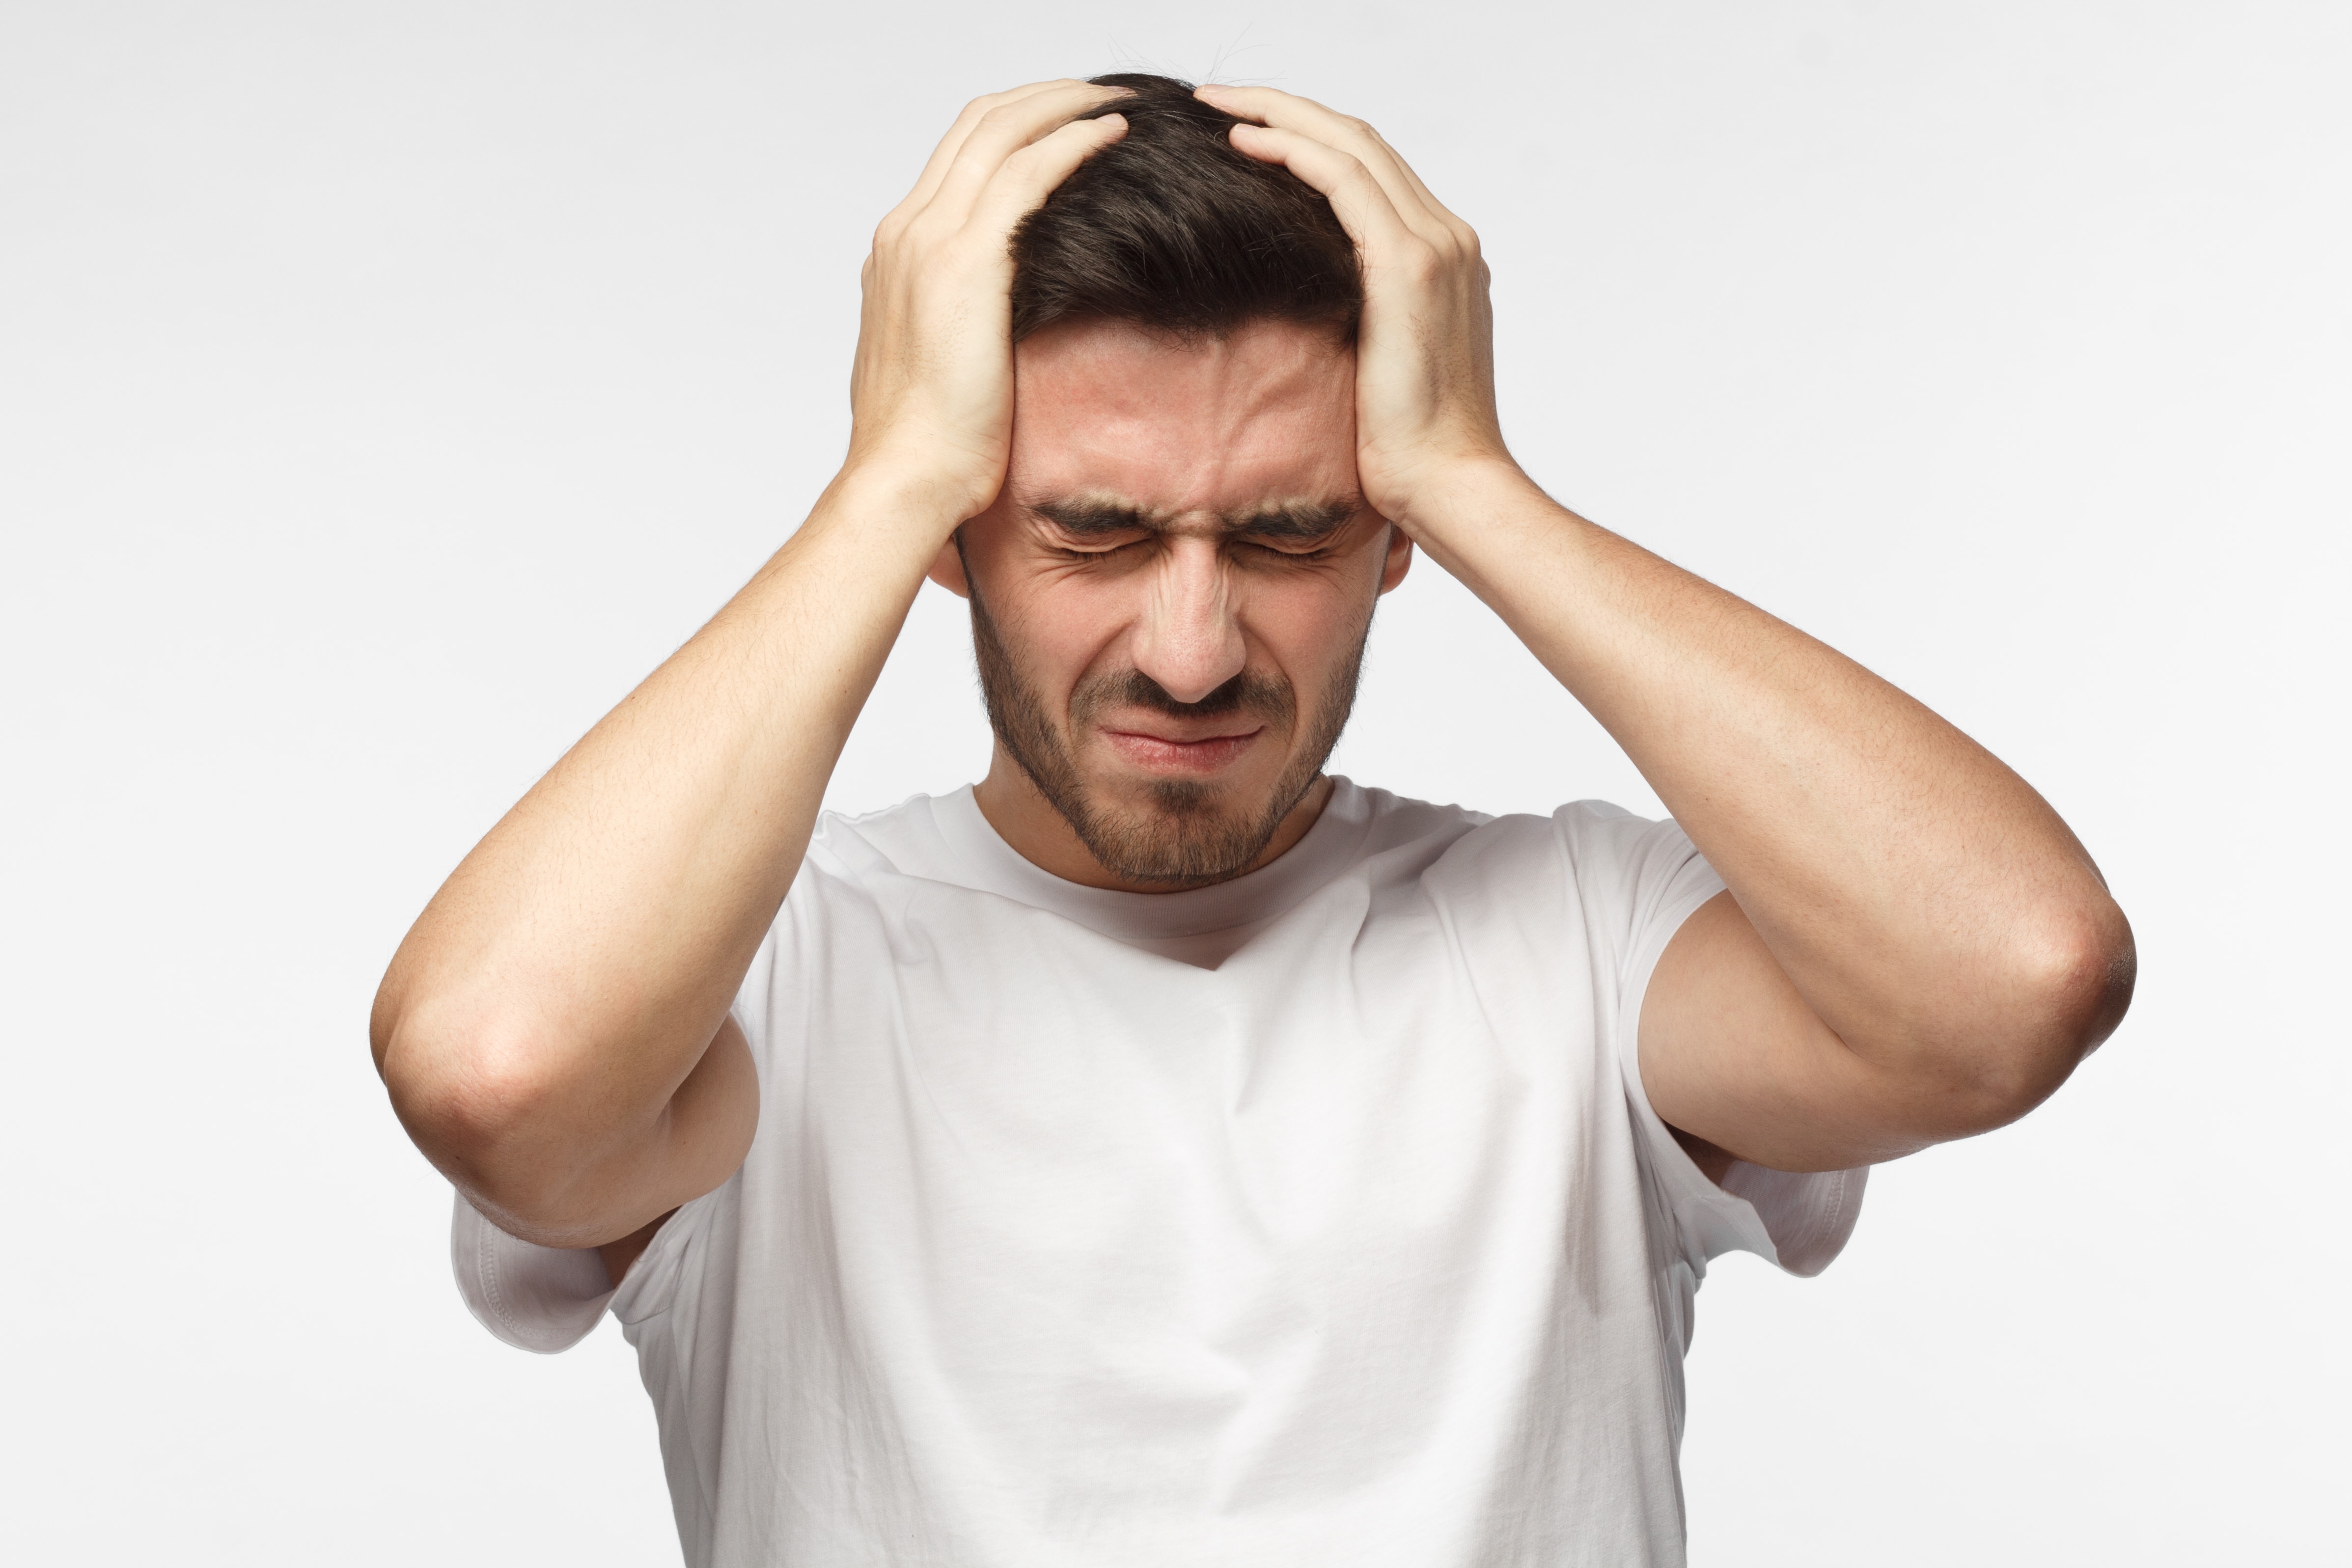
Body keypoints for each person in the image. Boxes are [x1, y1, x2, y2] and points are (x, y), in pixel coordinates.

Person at [372, 73, 2134, 1567]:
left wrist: (1473, 478)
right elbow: (499, 1071)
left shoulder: (1582, 941)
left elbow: (2019, 976)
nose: (1195, 650)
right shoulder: (763, 971)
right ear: (955, 536)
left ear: (1390, 544)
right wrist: (886, 475)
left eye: (1286, 536)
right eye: (1096, 532)